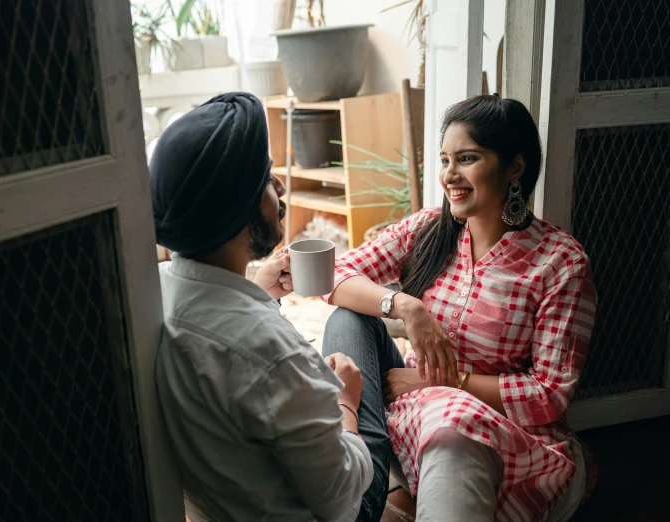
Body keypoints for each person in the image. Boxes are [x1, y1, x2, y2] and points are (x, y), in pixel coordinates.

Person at [318, 95, 597, 522]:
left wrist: (447, 382)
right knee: (348, 319)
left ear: (515, 167)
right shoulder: (430, 229)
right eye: (445, 160)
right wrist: (406, 306)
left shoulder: (560, 262)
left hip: (497, 431)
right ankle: (366, 489)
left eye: (467, 158)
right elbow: (332, 274)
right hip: (411, 406)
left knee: (454, 423)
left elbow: (550, 395)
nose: (450, 175)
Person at [151, 92, 373, 522]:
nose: (281, 188)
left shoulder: (155, 291)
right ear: (237, 210)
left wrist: (259, 292)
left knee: (354, 326)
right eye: (268, 179)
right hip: (340, 505)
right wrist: (346, 402)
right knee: (355, 325)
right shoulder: (273, 352)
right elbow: (341, 502)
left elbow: (221, 331)